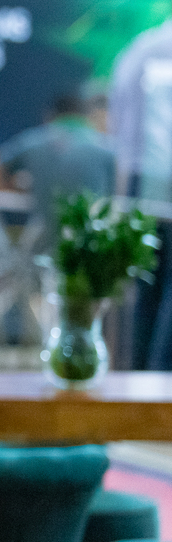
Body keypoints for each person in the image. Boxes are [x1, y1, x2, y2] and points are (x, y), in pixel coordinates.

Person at [0, 91, 115, 254]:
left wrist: (18, 185)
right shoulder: (107, 148)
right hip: (94, 247)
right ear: (87, 117)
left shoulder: (34, 140)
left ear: (49, 117)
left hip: (45, 245)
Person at [110, 18, 172, 369]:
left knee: (143, 290)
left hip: (136, 183)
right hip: (158, 179)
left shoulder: (139, 49)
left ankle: (139, 380)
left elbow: (117, 127)